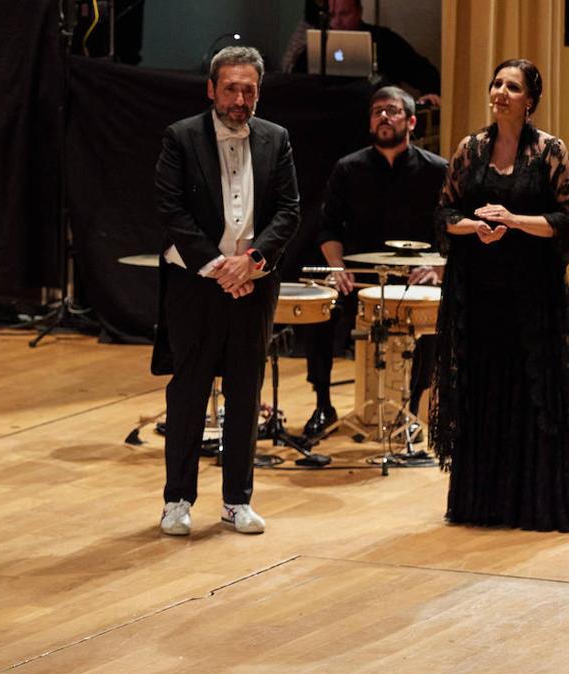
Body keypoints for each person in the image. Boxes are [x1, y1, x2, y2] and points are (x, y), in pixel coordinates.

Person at [431, 59, 569, 533]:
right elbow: (444, 213)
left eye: (511, 87)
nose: (500, 92)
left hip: (531, 294)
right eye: (496, 83)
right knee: (484, 388)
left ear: (530, 100)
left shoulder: (549, 151)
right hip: (478, 293)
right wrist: (474, 226)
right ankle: (484, 502)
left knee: (530, 390)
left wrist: (514, 221)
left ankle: (534, 503)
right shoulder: (469, 149)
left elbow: (568, 218)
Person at [153, 46, 301, 536]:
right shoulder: (181, 136)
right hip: (196, 282)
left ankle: (237, 500)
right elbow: (172, 211)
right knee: (189, 391)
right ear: (212, 89)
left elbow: (288, 211)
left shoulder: (276, 138)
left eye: (250, 89)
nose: (241, 98)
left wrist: (251, 264)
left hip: (253, 283)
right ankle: (177, 499)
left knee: (245, 391)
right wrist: (221, 268)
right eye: (232, 88)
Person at [303, 85, 447, 437]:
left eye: (393, 110)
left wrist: (438, 268)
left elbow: (452, 229)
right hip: (360, 275)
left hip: (416, 275)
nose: (384, 116)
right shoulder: (348, 169)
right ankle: (322, 402)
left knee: (431, 316)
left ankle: (411, 408)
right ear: (369, 123)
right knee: (321, 310)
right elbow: (328, 227)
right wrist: (337, 268)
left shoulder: (437, 170)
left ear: (411, 121)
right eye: (377, 111)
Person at [286, 0, 441, 107]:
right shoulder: (317, 45)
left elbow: (425, 73)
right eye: (332, 15)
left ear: (359, 12)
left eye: (345, 14)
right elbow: (294, 82)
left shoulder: (384, 40)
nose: (337, 22)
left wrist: (430, 94)